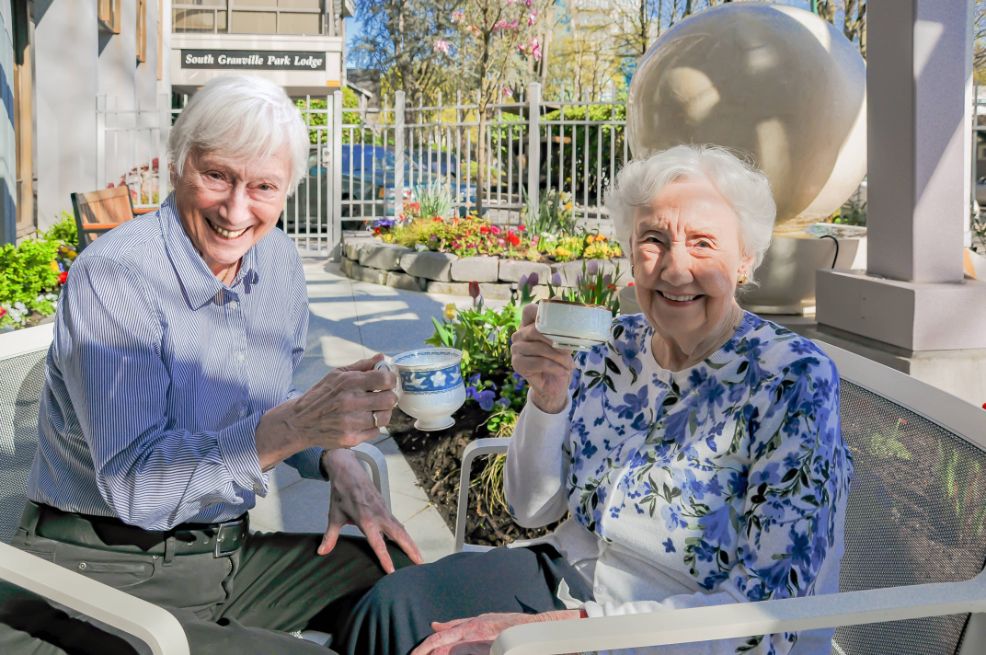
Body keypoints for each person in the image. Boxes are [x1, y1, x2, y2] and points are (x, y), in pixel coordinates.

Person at [338, 145, 853, 655]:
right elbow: (532, 509)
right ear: (631, 252)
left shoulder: (791, 380)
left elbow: (768, 617)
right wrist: (548, 399)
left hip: (683, 632)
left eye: (702, 244)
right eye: (653, 240)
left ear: (744, 260)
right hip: (570, 577)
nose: (674, 269)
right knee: (392, 609)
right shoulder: (612, 345)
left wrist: (565, 630)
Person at [2, 74, 421, 654]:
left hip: (220, 559)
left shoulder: (276, 262)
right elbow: (138, 489)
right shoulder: (117, 277)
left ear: (288, 189)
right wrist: (296, 427)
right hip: (93, 576)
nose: (236, 210)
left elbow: (264, 411)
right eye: (217, 175)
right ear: (178, 164)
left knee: (404, 583)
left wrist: (332, 453)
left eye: (264, 187)